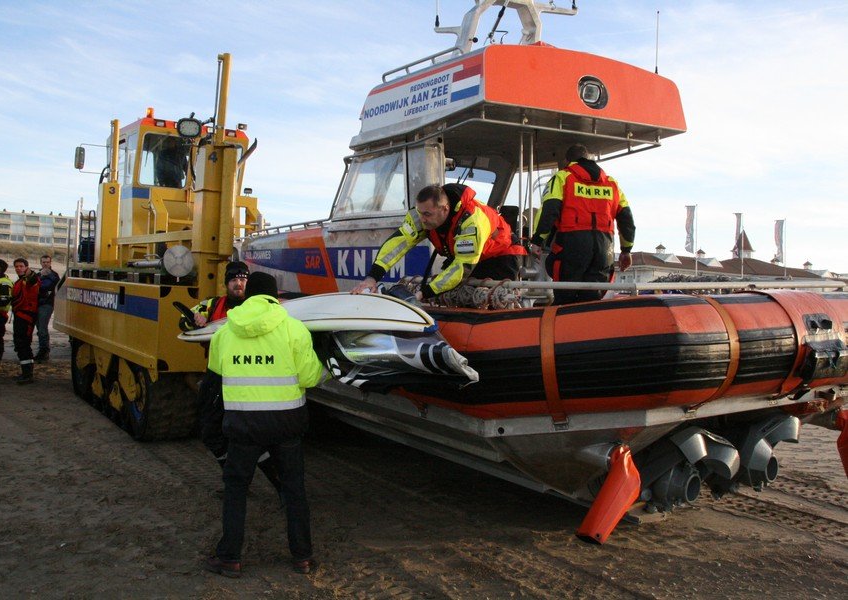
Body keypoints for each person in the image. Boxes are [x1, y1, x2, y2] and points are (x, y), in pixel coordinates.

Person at [204, 271, 327, 578]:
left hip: (243, 425)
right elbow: (310, 378)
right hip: (287, 423)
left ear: (247, 295)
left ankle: (229, 558)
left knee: (235, 489)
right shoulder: (294, 329)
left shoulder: (224, 332)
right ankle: (303, 558)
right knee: (294, 489)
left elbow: (215, 379)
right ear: (275, 296)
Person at [181, 261, 283, 496]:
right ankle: (236, 483)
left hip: (248, 379)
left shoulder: (258, 307)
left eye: (243, 279)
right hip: (217, 378)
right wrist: (194, 320)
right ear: (227, 283)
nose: (239, 283)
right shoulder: (213, 305)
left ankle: (279, 486)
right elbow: (185, 318)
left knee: (252, 436)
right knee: (211, 432)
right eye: (234, 279)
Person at [351, 183, 527, 299]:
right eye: (420, 213)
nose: (423, 219)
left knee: (493, 299)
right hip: (466, 257)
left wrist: (424, 293)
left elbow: (461, 268)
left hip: (499, 256)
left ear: (445, 209)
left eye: (427, 214)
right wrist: (372, 278)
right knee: (455, 294)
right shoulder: (423, 214)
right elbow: (398, 244)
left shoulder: (471, 220)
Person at [532, 144, 635, 305]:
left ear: (567, 161)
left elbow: (550, 210)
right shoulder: (612, 184)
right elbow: (626, 218)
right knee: (591, 301)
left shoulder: (562, 177)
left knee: (565, 298)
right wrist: (626, 251)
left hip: (571, 247)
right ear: (588, 159)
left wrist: (538, 241)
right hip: (604, 249)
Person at [10, 258, 40, 384]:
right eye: (16, 266)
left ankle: (28, 375)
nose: (18, 268)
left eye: (21, 266)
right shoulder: (19, 281)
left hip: (26, 316)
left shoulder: (29, 280)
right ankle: (26, 373)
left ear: (26, 267)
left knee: (23, 344)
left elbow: (33, 280)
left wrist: (31, 273)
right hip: (19, 315)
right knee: (20, 344)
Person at [34, 254, 60, 362]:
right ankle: (43, 350)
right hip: (37, 304)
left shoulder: (53, 275)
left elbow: (45, 286)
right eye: (44, 262)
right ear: (40, 262)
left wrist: (42, 277)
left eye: (47, 262)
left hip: (47, 304)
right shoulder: (38, 274)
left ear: (50, 263)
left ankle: (44, 351)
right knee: (40, 328)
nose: (45, 264)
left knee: (42, 328)